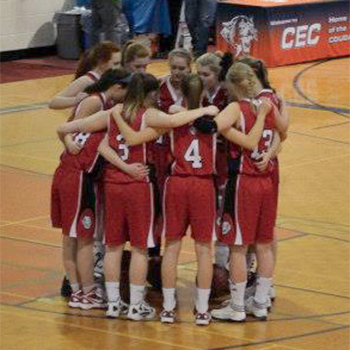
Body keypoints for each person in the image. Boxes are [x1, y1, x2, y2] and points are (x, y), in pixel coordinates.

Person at [113, 73, 272, 325]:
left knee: (172, 248)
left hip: (176, 184)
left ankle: (167, 308)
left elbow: (154, 128)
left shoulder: (172, 119)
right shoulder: (216, 119)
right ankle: (201, 310)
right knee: (203, 250)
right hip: (203, 186)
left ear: (182, 93)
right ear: (205, 93)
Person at [206, 61, 280, 322]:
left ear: (232, 85)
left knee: (238, 247)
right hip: (266, 181)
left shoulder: (238, 108)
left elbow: (241, 139)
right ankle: (260, 302)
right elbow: (281, 133)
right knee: (263, 245)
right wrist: (270, 152)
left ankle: (236, 306)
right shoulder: (267, 104)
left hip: (244, 182)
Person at [52, 68, 131, 310]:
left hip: (67, 173)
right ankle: (86, 292)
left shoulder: (101, 105)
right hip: (78, 177)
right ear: (117, 87)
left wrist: (68, 143)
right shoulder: (101, 106)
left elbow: (65, 129)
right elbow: (66, 128)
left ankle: (77, 291)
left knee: (71, 238)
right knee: (83, 239)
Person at [49, 41, 121, 110]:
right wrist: (76, 100)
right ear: (101, 62)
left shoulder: (111, 79)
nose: (120, 67)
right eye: (116, 64)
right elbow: (54, 102)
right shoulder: (87, 80)